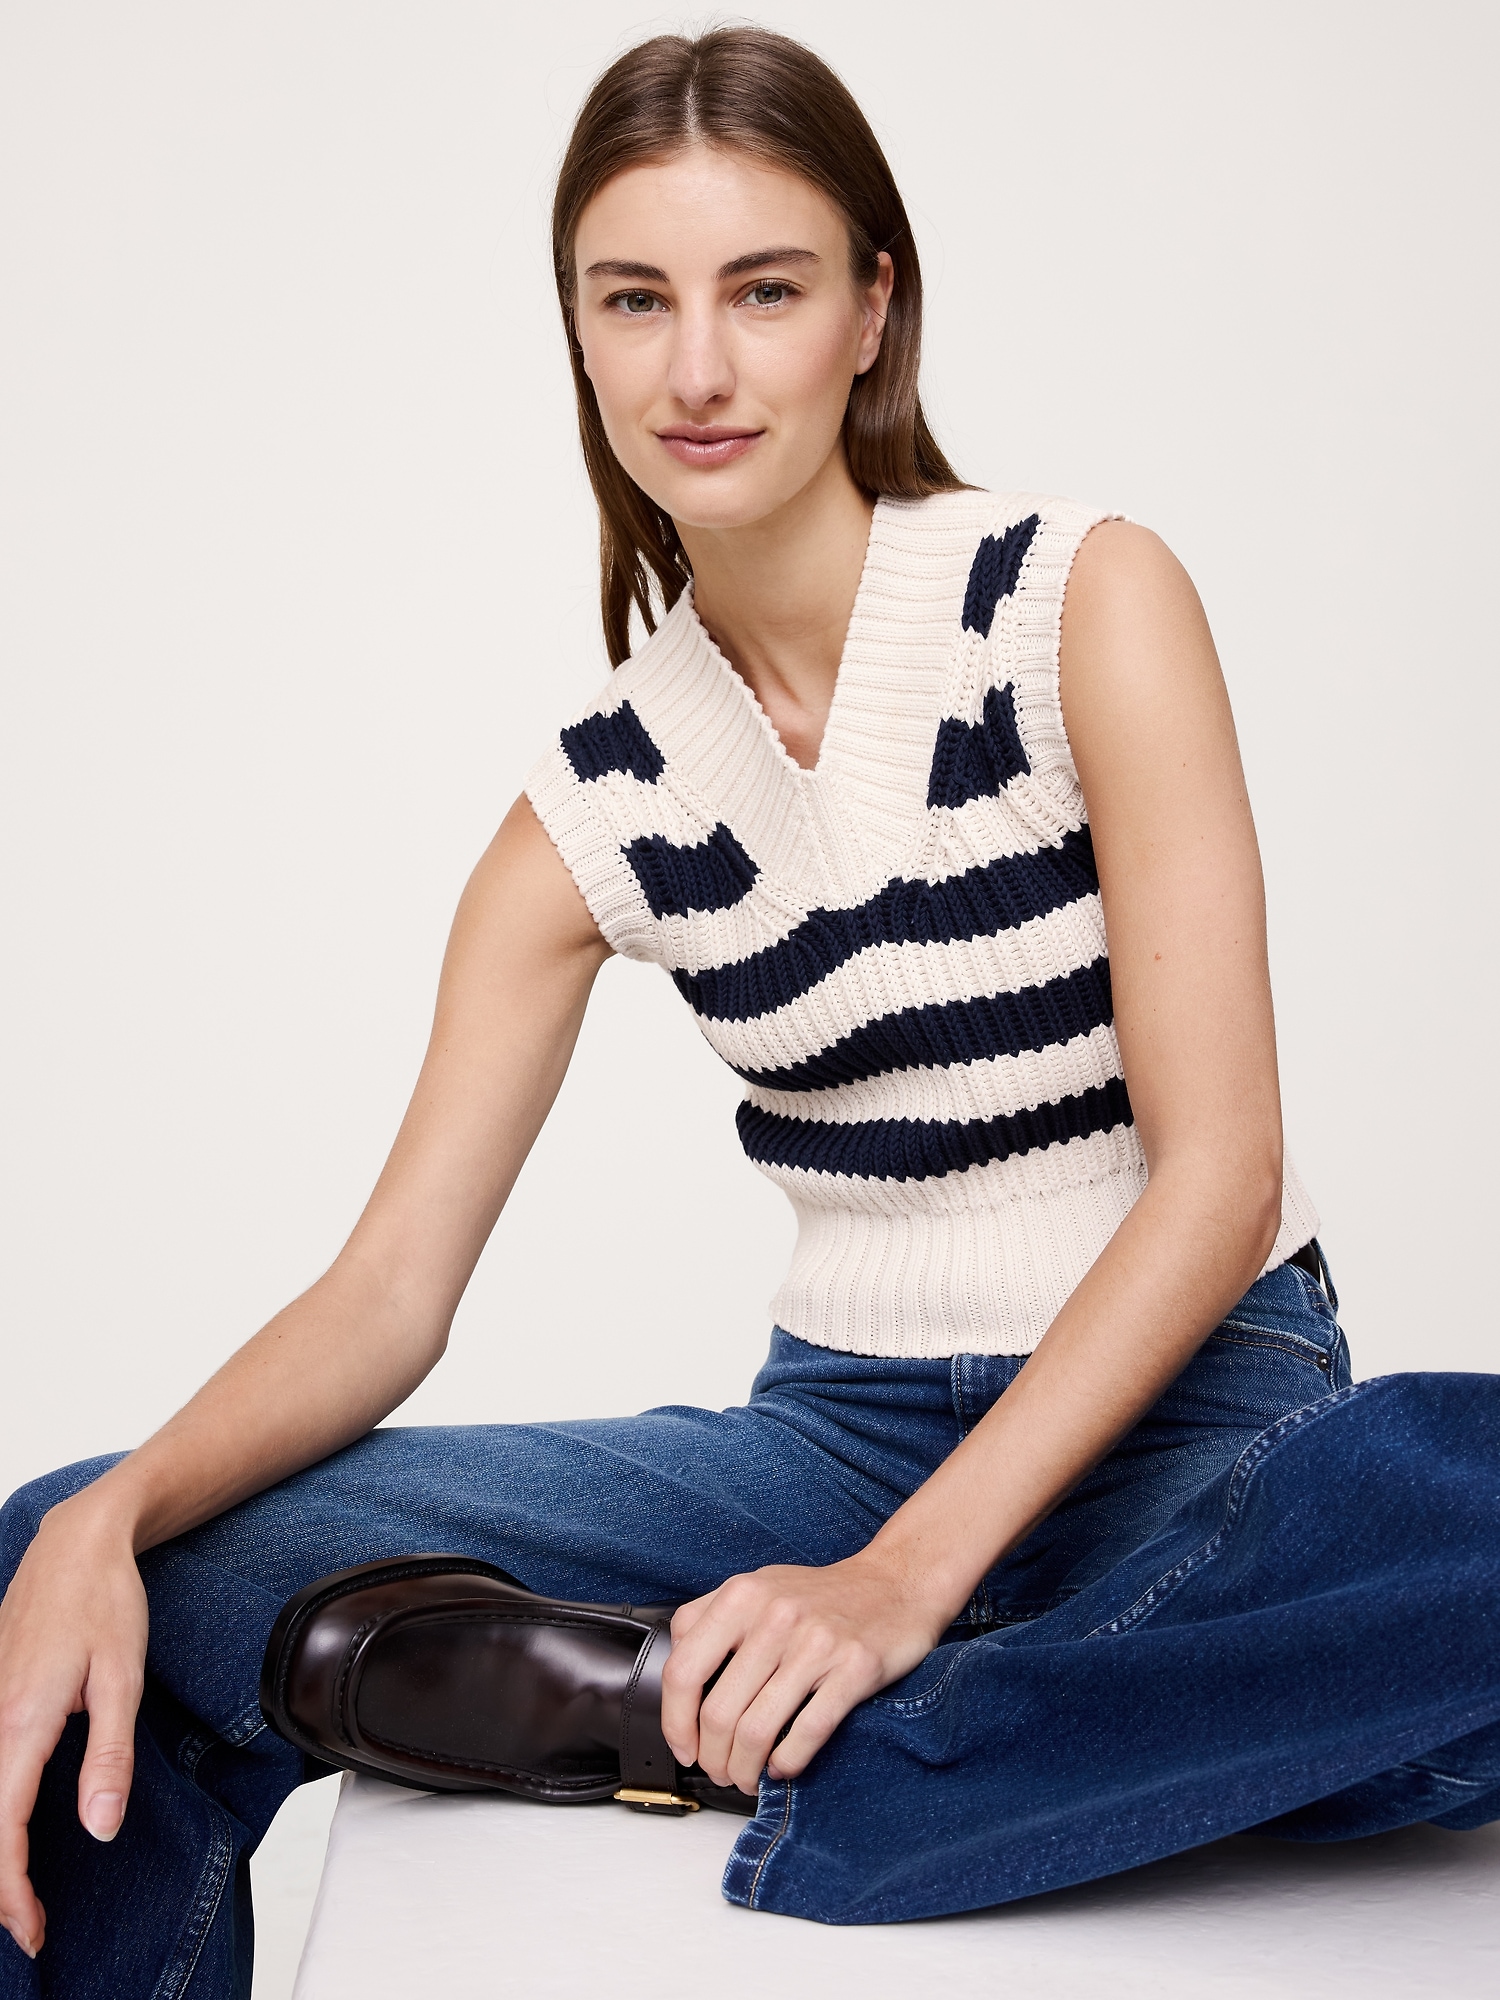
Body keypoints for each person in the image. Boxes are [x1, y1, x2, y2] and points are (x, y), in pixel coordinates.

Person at [2, 24, 1497, 1992]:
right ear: (581, 336)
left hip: (1194, 1426)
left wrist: (896, 1588)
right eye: (637, 300)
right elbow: (389, 1294)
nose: (697, 368)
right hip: (837, 1441)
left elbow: (1219, 1178)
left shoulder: (1082, 600)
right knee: (75, 1568)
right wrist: (113, 1510)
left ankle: (831, 1734)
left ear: (872, 311)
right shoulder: (592, 810)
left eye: (764, 291)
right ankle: (1018, 1733)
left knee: (1463, 1511)